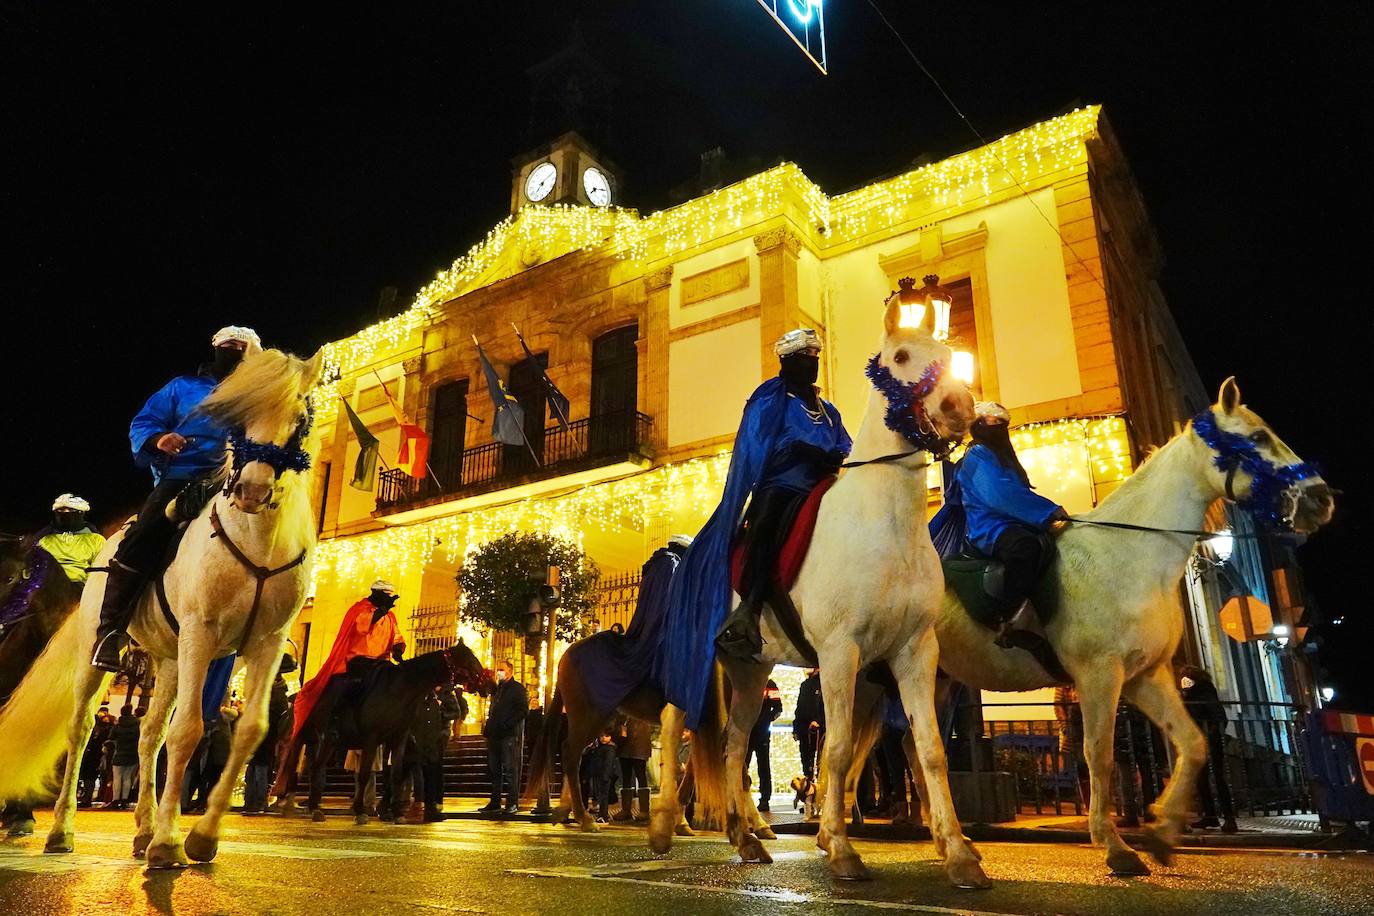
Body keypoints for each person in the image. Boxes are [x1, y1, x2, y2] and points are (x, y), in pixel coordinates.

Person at [665, 329, 850, 726]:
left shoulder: (827, 407)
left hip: (823, 482)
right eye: (804, 357)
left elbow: (846, 444)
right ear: (787, 362)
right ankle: (747, 611)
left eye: (815, 356)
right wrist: (794, 450)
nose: (812, 363)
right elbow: (757, 442)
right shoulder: (771, 398)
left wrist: (836, 454)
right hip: (781, 484)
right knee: (765, 524)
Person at [91, 326, 262, 671]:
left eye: (244, 348)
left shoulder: (257, 396)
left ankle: (268, 629)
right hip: (182, 477)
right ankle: (110, 631)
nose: (236, 352)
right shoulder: (181, 388)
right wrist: (158, 439)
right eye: (230, 346)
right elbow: (144, 422)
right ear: (216, 348)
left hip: (235, 481)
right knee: (143, 535)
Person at [955, 401, 1069, 645]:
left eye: (1001, 423)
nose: (997, 427)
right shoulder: (977, 454)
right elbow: (1000, 494)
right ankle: (1010, 616)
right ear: (979, 425)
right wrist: (1048, 511)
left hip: (1012, 522)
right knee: (1024, 548)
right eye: (992, 422)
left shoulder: (1000, 458)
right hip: (991, 527)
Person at [287, 579, 406, 745]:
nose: (389, 599)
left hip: (381, 663)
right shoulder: (360, 609)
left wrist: (398, 649)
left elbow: (397, 636)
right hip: (357, 661)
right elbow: (363, 625)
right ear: (376, 593)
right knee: (345, 687)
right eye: (386, 595)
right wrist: (382, 611)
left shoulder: (390, 617)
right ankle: (334, 721)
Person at [1180, 665, 1237, 833]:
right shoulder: (1190, 695)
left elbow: (1219, 717)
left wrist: (1210, 736)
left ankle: (1229, 818)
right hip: (1197, 743)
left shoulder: (1204, 692)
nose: (1183, 680)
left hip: (1211, 742)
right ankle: (1210, 816)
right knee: (1201, 779)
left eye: (1185, 676)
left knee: (1218, 779)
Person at [243, 654, 295, 813]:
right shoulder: (272, 690)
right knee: (253, 769)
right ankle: (251, 800)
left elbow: (275, 713)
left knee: (259, 769)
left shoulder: (277, 693)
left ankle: (258, 800)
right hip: (260, 734)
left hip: (267, 735)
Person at [480, 660, 528, 815]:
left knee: (510, 770)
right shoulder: (498, 689)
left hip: (508, 736)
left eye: (502, 669)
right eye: (497, 669)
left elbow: (523, 710)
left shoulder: (517, 689)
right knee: (494, 770)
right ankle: (495, 801)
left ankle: (512, 802)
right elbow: (493, 710)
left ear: (510, 671)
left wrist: (507, 724)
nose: (499, 672)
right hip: (495, 735)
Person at [413, 685, 462, 822]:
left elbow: (456, 712)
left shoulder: (447, 694)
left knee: (435, 767)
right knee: (426, 768)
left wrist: (440, 712)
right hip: (425, 735)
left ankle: (436, 802)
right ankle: (426, 802)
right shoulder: (425, 692)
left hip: (440, 734)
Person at [37, 494, 106, 585]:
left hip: (82, 589)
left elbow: (100, 571)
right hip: (49, 588)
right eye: (60, 511)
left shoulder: (96, 540)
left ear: (80, 513)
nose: (65, 514)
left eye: (70, 510)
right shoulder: (45, 541)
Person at [746, 679, 783, 812]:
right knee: (743, 767)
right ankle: (744, 796)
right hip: (747, 733)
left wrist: (766, 720)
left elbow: (778, 708)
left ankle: (764, 799)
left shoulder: (769, 684)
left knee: (763, 767)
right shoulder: (746, 682)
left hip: (760, 732)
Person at [612, 715, 653, 822]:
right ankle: (626, 810)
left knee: (641, 776)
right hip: (625, 747)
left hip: (639, 747)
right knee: (626, 777)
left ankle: (644, 811)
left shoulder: (641, 711)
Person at [78, 707, 115, 807]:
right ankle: (87, 797)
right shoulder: (107, 730)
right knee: (90, 778)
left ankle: (87, 798)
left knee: (89, 778)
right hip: (96, 758)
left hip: (93, 758)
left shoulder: (98, 732)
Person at [793, 668, 824, 782]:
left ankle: (818, 782)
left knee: (819, 759)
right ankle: (809, 780)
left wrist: (818, 720)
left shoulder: (822, 684)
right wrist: (796, 728)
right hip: (805, 728)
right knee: (806, 759)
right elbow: (800, 708)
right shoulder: (805, 685)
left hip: (818, 728)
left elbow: (822, 706)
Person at [108, 704, 141, 809]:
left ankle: (116, 799)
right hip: (132, 754)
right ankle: (124, 800)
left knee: (117, 777)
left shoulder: (118, 725)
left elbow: (111, 737)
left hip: (119, 753)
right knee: (127, 778)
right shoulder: (137, 725)